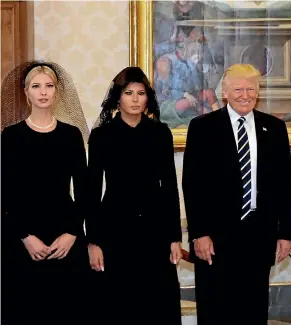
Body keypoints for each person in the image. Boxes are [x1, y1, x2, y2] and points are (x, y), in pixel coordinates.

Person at [182, 63, 291, 325]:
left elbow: (284, 185)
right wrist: (199, 232)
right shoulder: (202, 127)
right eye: (238, 89)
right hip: (214, 237)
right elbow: (192, 184)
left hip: (259, 235)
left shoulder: (275, 129)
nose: (245, 95)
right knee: (215, 310)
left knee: (253, 310)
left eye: (251, 89)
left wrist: (285, 233)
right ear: (224, 92)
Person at [86, 67, 183, 323]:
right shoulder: (101, 136)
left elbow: (170, 187)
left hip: (156, 230)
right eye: (129, 93)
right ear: (118, 97)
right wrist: (93, 242)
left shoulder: (160, 133)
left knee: (157, 305)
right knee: (117, 305)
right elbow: (92, 191)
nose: (136, 99)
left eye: (141, 93)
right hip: (114, 229)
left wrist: (174, 237)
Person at [1, 60, 90, 324]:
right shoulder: (10, 136)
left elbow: (85, 191)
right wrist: (25, 236)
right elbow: (5, 194)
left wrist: (72, 234)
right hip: (22, 240)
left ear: (57, 91)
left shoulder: (71, 136)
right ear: (26, 92)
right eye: (36, 86)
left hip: (64, 238)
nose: (43, 92)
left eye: (49, 86)